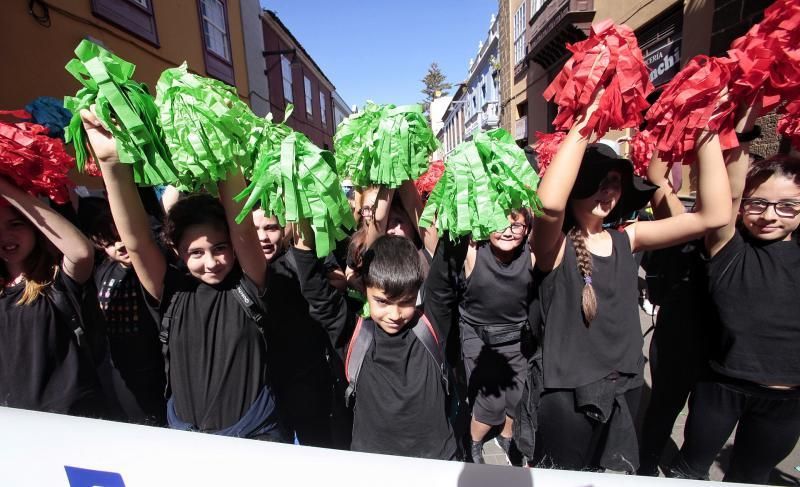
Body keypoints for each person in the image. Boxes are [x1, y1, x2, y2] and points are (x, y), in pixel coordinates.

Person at [530, 95, 731, 472]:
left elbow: (715, 215)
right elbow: (550, 206)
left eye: (615, 184)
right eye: (598, 183)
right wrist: (588, 118)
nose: (609, 192)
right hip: (567, 395)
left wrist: (706, 127)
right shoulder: (552, 248)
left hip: (625, 387)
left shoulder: (629, 237)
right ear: (577, 187)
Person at [79, 106, 283, 441]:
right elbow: (137, 240)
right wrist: (111, 163)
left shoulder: (250, 283)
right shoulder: (171, 290)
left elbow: (243, 229)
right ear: (177, 252)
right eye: (196, 253)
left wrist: (222, 148)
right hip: (187, 440)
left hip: (255, 435)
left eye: (220, 247)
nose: (212, 261)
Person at [668, 105, 800, 484]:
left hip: (785, 399)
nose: (770, 215)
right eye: (758, 204)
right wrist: (732, 126)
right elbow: (732, 190)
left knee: (750, 478)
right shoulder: (728, 247)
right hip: (721, 386)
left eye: (788, 205)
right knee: (689, 471)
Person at [291, 221, 459, 459]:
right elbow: (318, 296)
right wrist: (303, 240)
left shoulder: (430, 324)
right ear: (364, 288)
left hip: (437, 461)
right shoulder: (354, 336)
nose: (394, 314)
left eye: (406, 301)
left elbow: (447, 264)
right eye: (382, 301)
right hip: (373, 467)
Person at [0, 177, 106, 417]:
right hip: (12, 427)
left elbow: (81, 252)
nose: (4, 235)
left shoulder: (56, 278)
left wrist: (6, 187)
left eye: (15, 224)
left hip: (69, 422)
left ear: (35, 227)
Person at [451, 208, 536, 465]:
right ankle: (474, 441)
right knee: (490, 405)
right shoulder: (473, 250)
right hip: (480, 339)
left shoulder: (531, 255)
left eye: (517, 226)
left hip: (517, 340)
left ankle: (506, 437)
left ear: (527, 229)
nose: (508, 231)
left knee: (517, 399)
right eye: (500, 223)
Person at [78, 197, 167, 426]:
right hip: (120, 362)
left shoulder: (155, 264)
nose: (118, 245)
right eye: (109, 242)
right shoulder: (103, 270)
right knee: (135, 420)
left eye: (120, 237)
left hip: (156, 359)